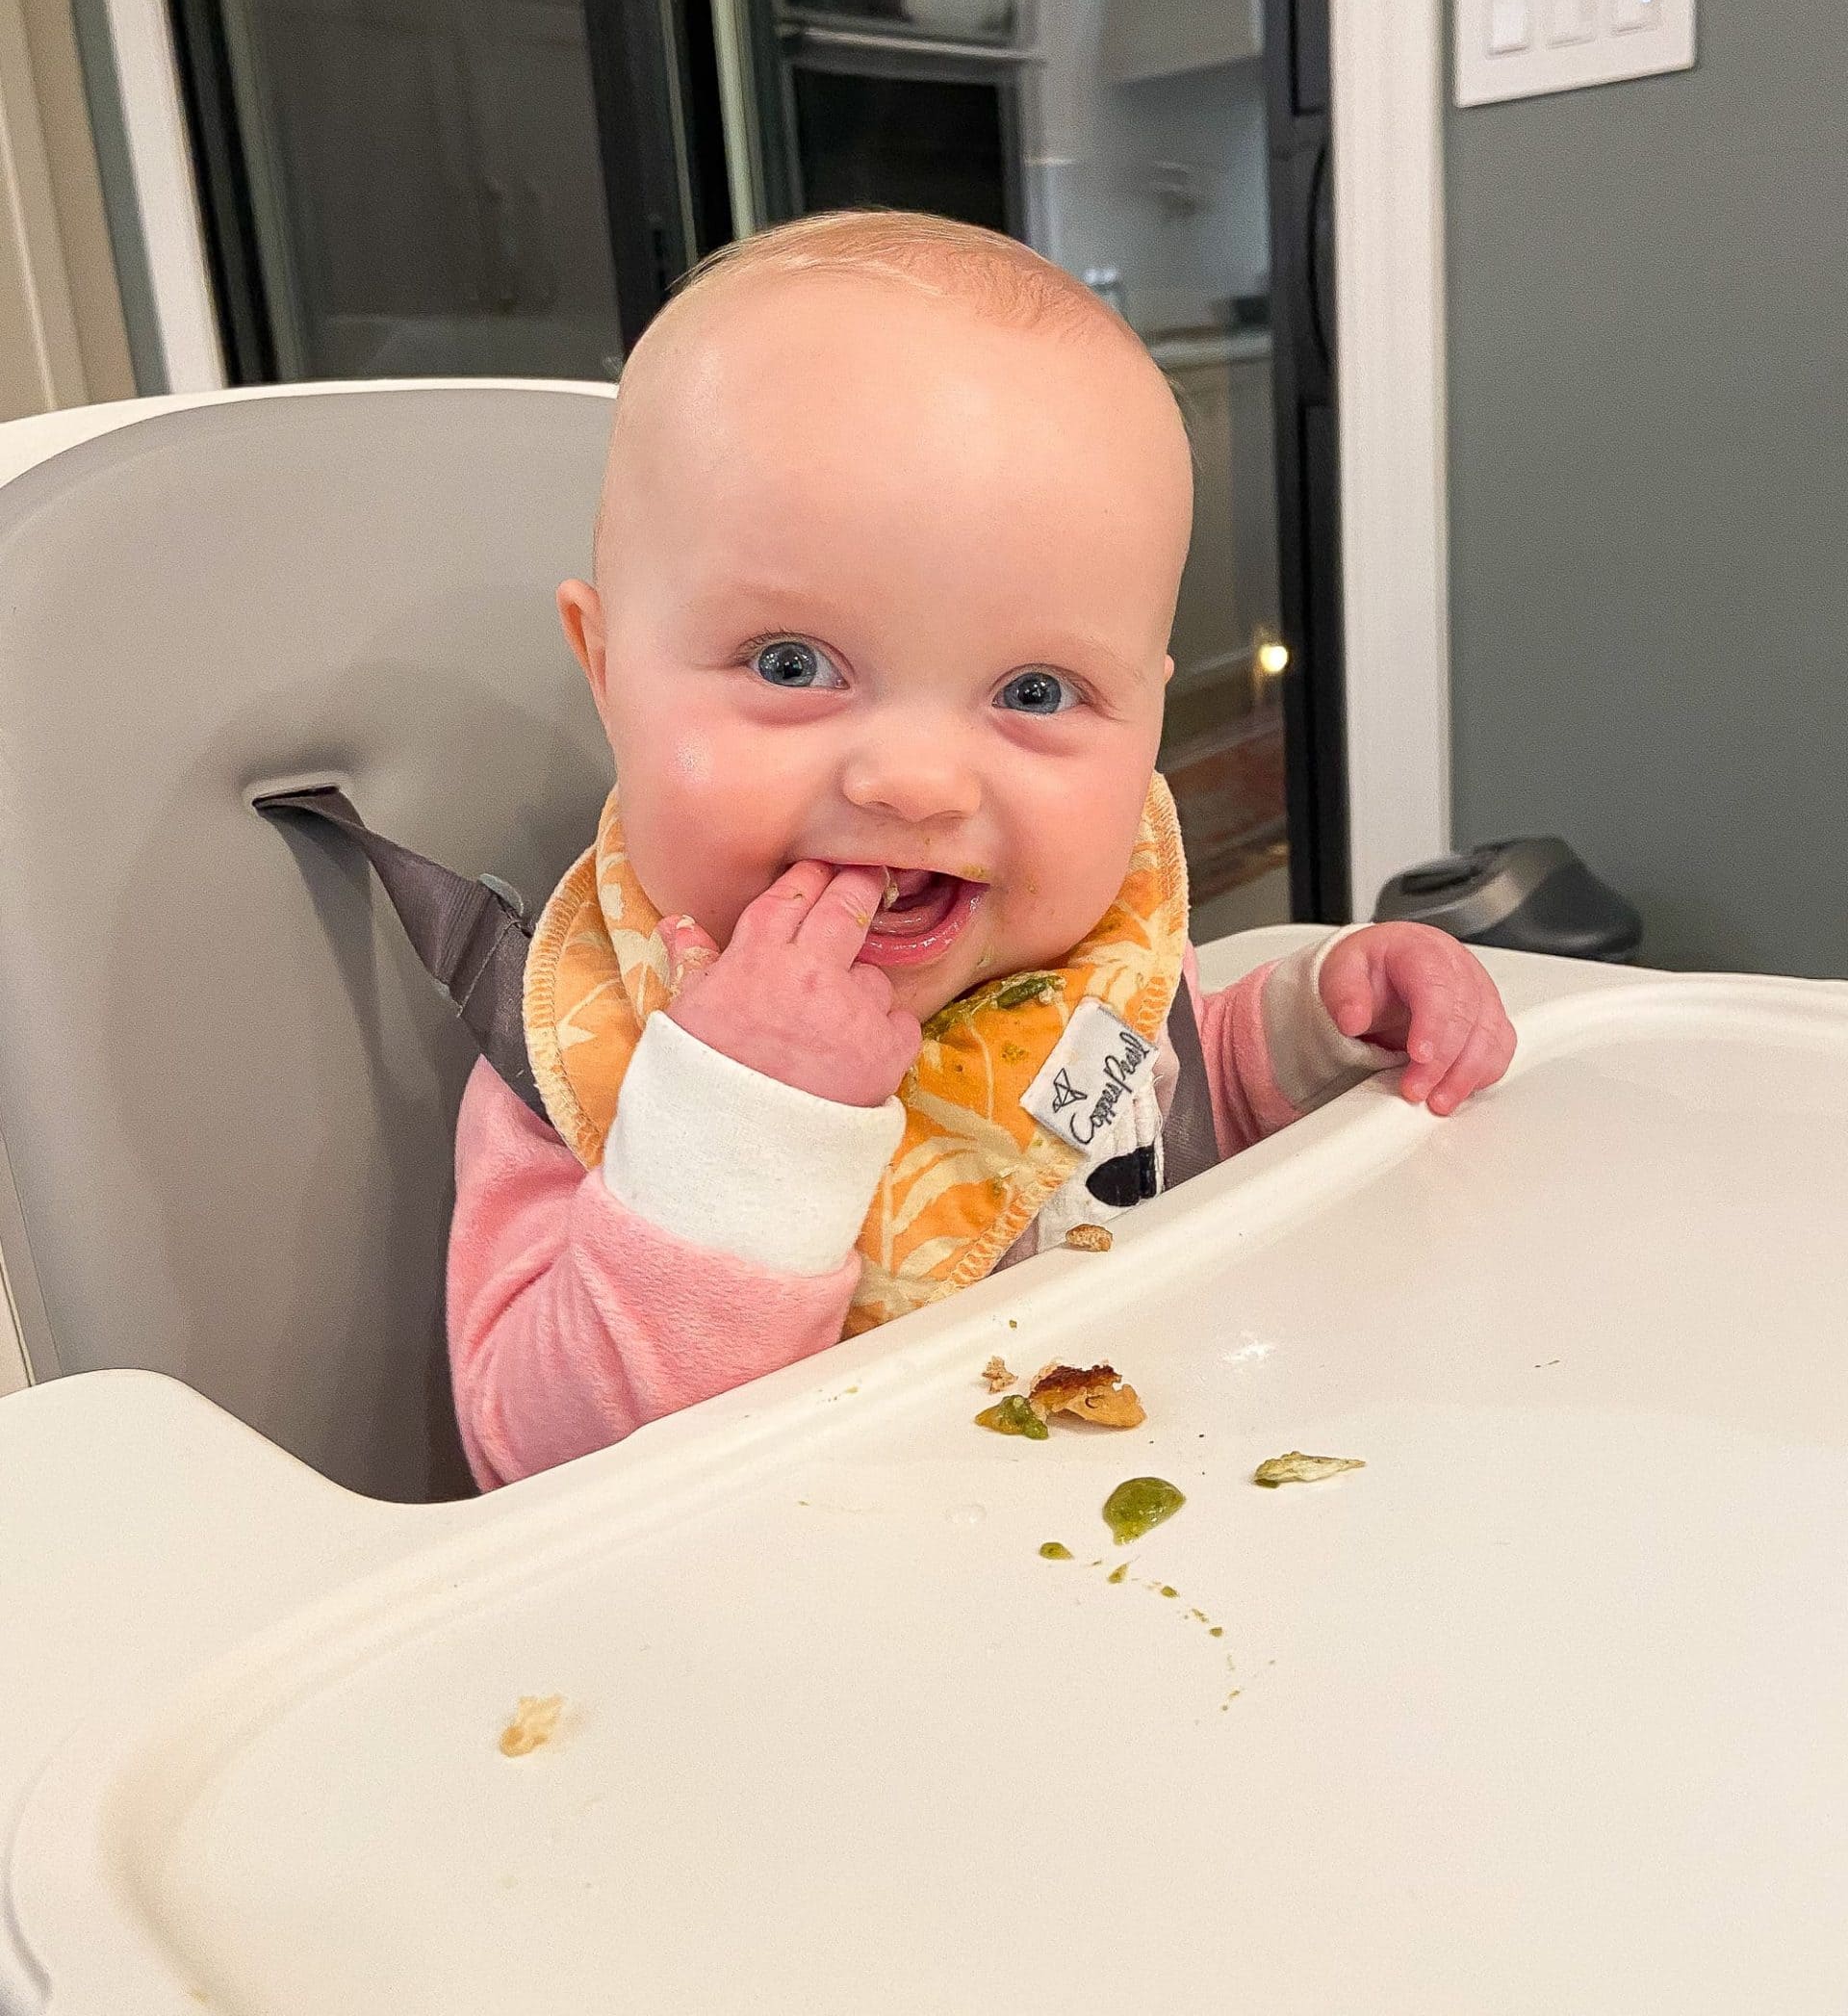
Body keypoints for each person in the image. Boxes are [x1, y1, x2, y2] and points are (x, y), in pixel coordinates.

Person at [449, 212, 1515, 1487]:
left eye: (1036, 691)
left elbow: (1144, 1118)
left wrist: (1312, 1038)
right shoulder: (586, 1055)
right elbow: (539, 1468)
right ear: (608, 668)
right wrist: (745, 1126)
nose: (914, 780)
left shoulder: (1071, 976)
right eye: (792, 666)